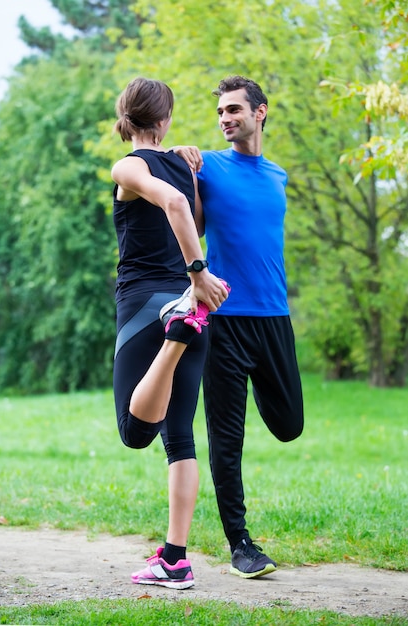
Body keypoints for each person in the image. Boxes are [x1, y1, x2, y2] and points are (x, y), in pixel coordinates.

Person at [176, 75, 304, 579]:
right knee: (227, 438)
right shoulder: (206, 166)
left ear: (260, 112)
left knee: (289, 425)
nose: (226, 118)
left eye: (234, 110)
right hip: (224, 320)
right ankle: (241, 544)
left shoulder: (278, 175)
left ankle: (242, 539)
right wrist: (184, 165)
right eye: (220, 113)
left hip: (274, 317)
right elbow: (195, 224)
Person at [111, 77, 229, 590]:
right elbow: (194, 216)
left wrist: (198, 271)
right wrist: (195, 284)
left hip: (147, 306)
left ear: (126, 117)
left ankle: (175, 337)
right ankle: (175, 560)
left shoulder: (128, 166)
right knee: (180, 439)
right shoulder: (186, 165)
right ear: (165, 120)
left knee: (136, 433)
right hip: (189, 304)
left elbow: (176, 210)